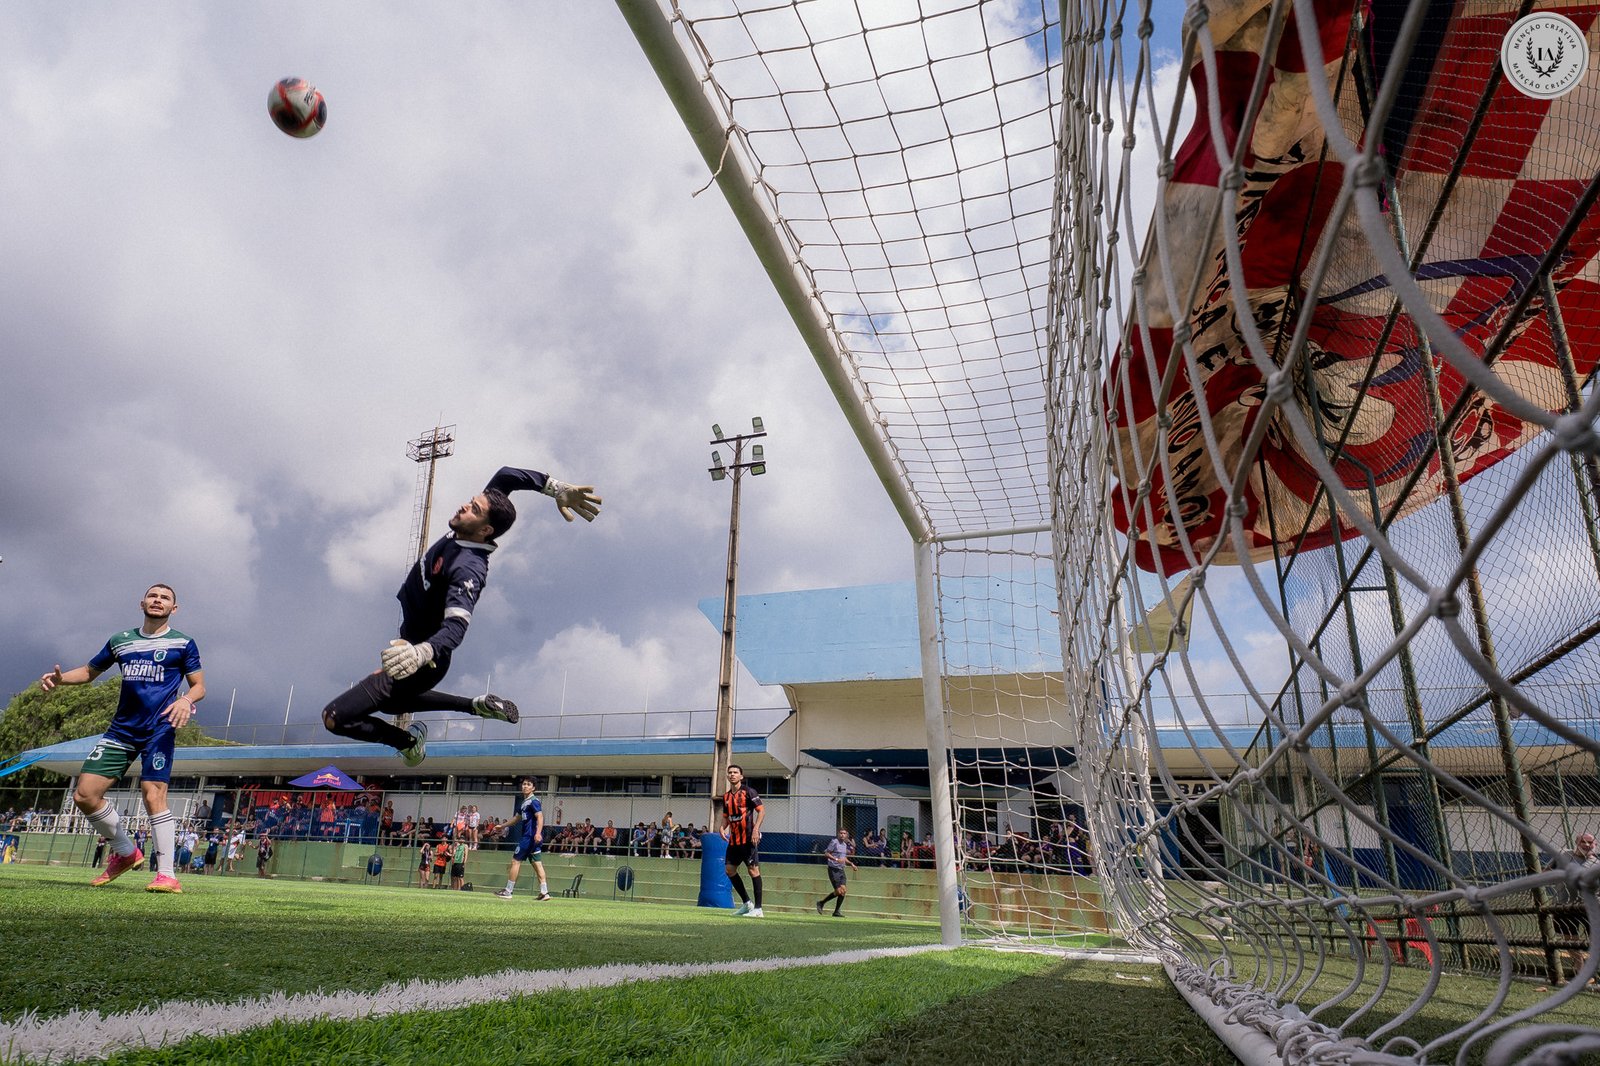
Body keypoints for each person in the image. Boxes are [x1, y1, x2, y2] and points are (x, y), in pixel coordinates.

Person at [320, 467, 601, 765]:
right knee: (392, 705)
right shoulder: (472, 524)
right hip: (411, 647)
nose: (465, 506)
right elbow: (507, 476)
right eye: (471, 501)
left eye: (474, 509)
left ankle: (409, 744)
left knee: (335, 717)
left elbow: (456, 627)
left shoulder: (469, 569)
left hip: (424, 661)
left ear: (485, 530)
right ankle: (476, 706)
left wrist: (420, 652)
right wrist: (553, 487)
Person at [39, 583, 205, 893]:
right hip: (122, 729)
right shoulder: (121, 641)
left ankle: (167, 874)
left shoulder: (183, 643)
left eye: (165, 598)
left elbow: (199, 686)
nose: (158, 600)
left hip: (160, 727)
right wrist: (61, 680)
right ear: (142, 602)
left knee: (152, 794)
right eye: (153, 596)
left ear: (174, 608)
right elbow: (90, 672)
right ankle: (127, 852)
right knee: (84, 795)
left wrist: (185, 701)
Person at [719, 764, 766, 917]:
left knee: (753, 870)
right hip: (734, 841)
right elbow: (726, 816)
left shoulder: (748, 792)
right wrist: (722, 827)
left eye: (735, 772)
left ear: (741, 776)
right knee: (729, 870)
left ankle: (758, 909)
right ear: (727, 776)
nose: (732, 775)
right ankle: (747, 903)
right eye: (730, 772)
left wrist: (756, 829)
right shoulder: (726, 797)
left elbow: (761, 811)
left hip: (748, 839)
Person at [1548, 831, 1597, 972]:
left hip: (1589, 906)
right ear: (1576, 843)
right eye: (1583, 841)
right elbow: (1546, 872)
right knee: (1569, 939)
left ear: (1595, 844)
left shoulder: (1596, 863)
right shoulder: (1564, 855)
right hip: (1563, 904)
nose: (1587, 845)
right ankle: (1580, 967)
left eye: (1590, 842)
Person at [495, 777, 550, 900]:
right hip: (531, 838)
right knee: (537, 864)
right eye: (524, 784)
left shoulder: (534, 801)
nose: (525, 786)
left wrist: (538, 833)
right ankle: (544, 892)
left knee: (515, 861)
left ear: (533, 788)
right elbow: (516, 818)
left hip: (530, 837)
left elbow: (540, 817)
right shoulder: (524, 803)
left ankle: (508, 891)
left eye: (528, 784)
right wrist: (502, 826)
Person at [817, 827, 858, 917]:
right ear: (838, 834)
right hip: (833, 869)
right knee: (839, 891)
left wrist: (851, 864)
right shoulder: (834, 842)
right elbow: (827, 854)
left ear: (846, 835)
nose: (842, 835)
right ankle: (821, 902)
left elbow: (843, 858)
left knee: (843, 891)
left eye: (844, 833)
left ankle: (836, 912)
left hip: (841, 869)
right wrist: (835, 859)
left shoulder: (844, 845)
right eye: (841, 833)